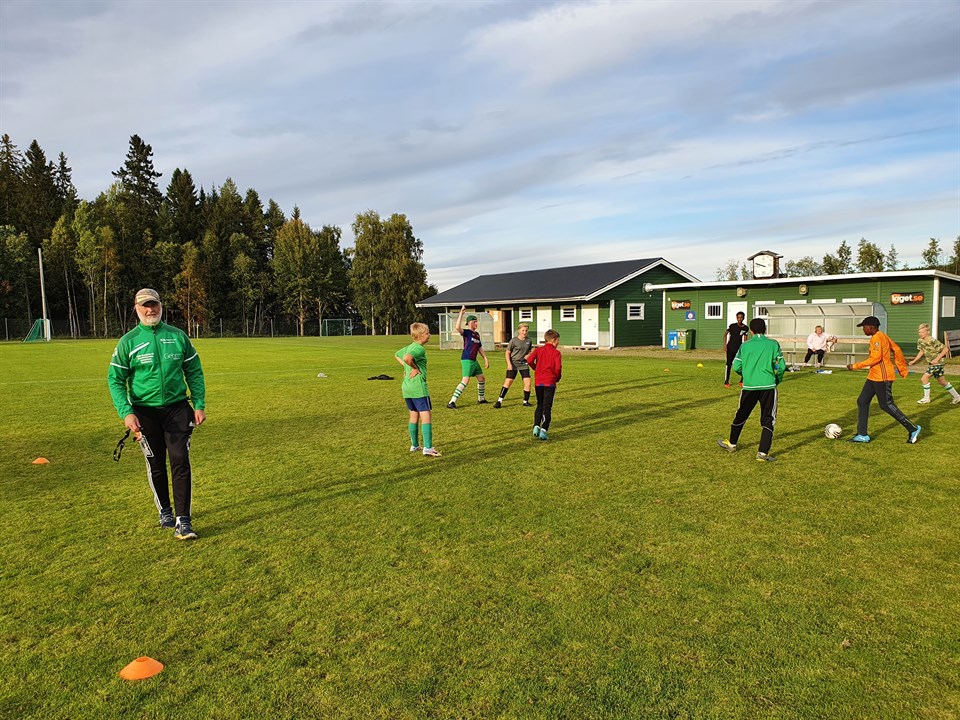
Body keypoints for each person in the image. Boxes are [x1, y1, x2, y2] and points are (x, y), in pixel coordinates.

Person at [107, 288, 206, 540]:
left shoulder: (177, 336)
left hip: (177, 409)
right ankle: (165, 510)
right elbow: (115, 380)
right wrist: (126, 413)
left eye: (154, 305)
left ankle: (184, 520)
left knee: (180, 459)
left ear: (161, 306)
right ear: (136, 309)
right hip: (144, 413)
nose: (150, 309)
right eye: (145, 306)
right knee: (156, 463)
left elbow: (194, 370)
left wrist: (199, 403)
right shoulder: (128, 342)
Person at [717, 318, 785, 462]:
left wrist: (747, 375)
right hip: (768, 387)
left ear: (751, 331)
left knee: (741, 414)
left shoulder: (745, 346)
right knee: (768, 419)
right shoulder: (773, 344)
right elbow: (781, 366)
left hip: (749, 387)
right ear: (765, 329)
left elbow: (736, 366)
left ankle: (732, 444)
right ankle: (762, 453)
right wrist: (777, 379)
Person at [845, 315, 920, 444]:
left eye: (864, 327)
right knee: (862, 401)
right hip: (873, 376)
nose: (863, 329)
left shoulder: (877, 338)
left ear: (871, 327)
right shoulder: (880, 336)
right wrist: (902, 369)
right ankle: (862, 435)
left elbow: (876, 358)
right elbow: (896, 349)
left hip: (882, 377)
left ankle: (913, 428)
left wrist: (855, 366)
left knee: (886, 405)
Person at [394, 322, 441, 457]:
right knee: (426, 416)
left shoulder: (409, 346)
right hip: (418, 387)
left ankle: (414, 445)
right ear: (420, 336)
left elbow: (397, 354)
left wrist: (406, 367)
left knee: (413, 415)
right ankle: (428, 448)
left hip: (407, 387)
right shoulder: (419, 349)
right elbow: (407, 358)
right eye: (427, 333)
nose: (429, 335)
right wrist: (414, 368)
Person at [447, 305, 490, 409]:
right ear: (470, 323)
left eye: (476, 322)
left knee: (481, 378)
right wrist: (461, 313)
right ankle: (451, 402)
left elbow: (479, 347)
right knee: (465, 380)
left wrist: (485, 358)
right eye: (474, 322)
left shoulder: (477, 334)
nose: (476, 323)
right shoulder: (466, 333)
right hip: (467, 359)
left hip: (474, 361)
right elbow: (457, 328)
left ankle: (481, 399)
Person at [908, 323, 960, 405]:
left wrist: (936, 359)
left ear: (928, 332)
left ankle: (926, 398)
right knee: (942, 382)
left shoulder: (932, 340)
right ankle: (957, 397)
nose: (920, 334)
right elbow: (922, 351)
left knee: (924, 378)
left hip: (937, 364)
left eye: (922, 332)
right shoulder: (920, 341)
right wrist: (914, 361)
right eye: (919, 332)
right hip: (931, 364)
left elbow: (946, 349)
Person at [526, 329, 562, 441]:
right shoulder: (556, 353)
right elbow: (558, 368)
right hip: (550, 382)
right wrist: (557, 377)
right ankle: (544, 430)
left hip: (539, 382)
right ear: (554, 340)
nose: (558, 343)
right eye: (558, 341)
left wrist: (536, 368)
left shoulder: (538, 350)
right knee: (547, 407)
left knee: (540, 404)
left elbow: (529, 361)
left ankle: (536, 426)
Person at [494, 323, 533, 409]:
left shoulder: (529, 340)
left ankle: (525, 401)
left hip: (523, 364)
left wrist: (528, 355)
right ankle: (499, 401)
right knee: (508, 381)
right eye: (523, 330)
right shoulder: (513, 341)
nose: (524, 332)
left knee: (528, 382)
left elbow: (530, 351)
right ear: (519, 331)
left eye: (526, 330)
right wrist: (509, 364)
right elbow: (507, 353)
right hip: (513, 363)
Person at [723, 312, 749, 388]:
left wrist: (745, 347)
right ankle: (726, 381)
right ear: (736, 318)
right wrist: (725, 345)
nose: (739, 319)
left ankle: (742, 381)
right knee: (729, 364)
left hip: (739, 349)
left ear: (743, 318)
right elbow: (725, 334)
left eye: (741, 317)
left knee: (744, 363)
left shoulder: (745, 328)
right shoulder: (732, 326)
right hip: (730, 348)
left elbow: (745, 339)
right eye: (738, 317)